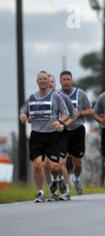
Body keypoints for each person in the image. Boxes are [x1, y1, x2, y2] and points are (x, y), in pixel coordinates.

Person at [19, 71, 69, 202]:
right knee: (37, 165)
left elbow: (66, 113)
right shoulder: (31, 98)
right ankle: (40, 192)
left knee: (54, 167)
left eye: (45, 79)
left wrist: (60, 122)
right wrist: (23, 116)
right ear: (37, 81)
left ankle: (55, 180)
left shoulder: (55, 97)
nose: (42, 81)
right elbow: (23, 111)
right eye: (40, 79)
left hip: (52, 136)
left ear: (49, 82)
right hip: (36, 135)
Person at [57, 70, 92, 196]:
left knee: (77, 163)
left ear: (71, 81)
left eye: (68, 79)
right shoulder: (56, 94)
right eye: (64, 80)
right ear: (60, 82)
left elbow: (89, 110)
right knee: (62, 161)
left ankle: (76, 179)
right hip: (63, 130)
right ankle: (63, 184)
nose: (66, 82)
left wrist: (80, 113)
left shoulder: (80, 94)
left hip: (77, 130)